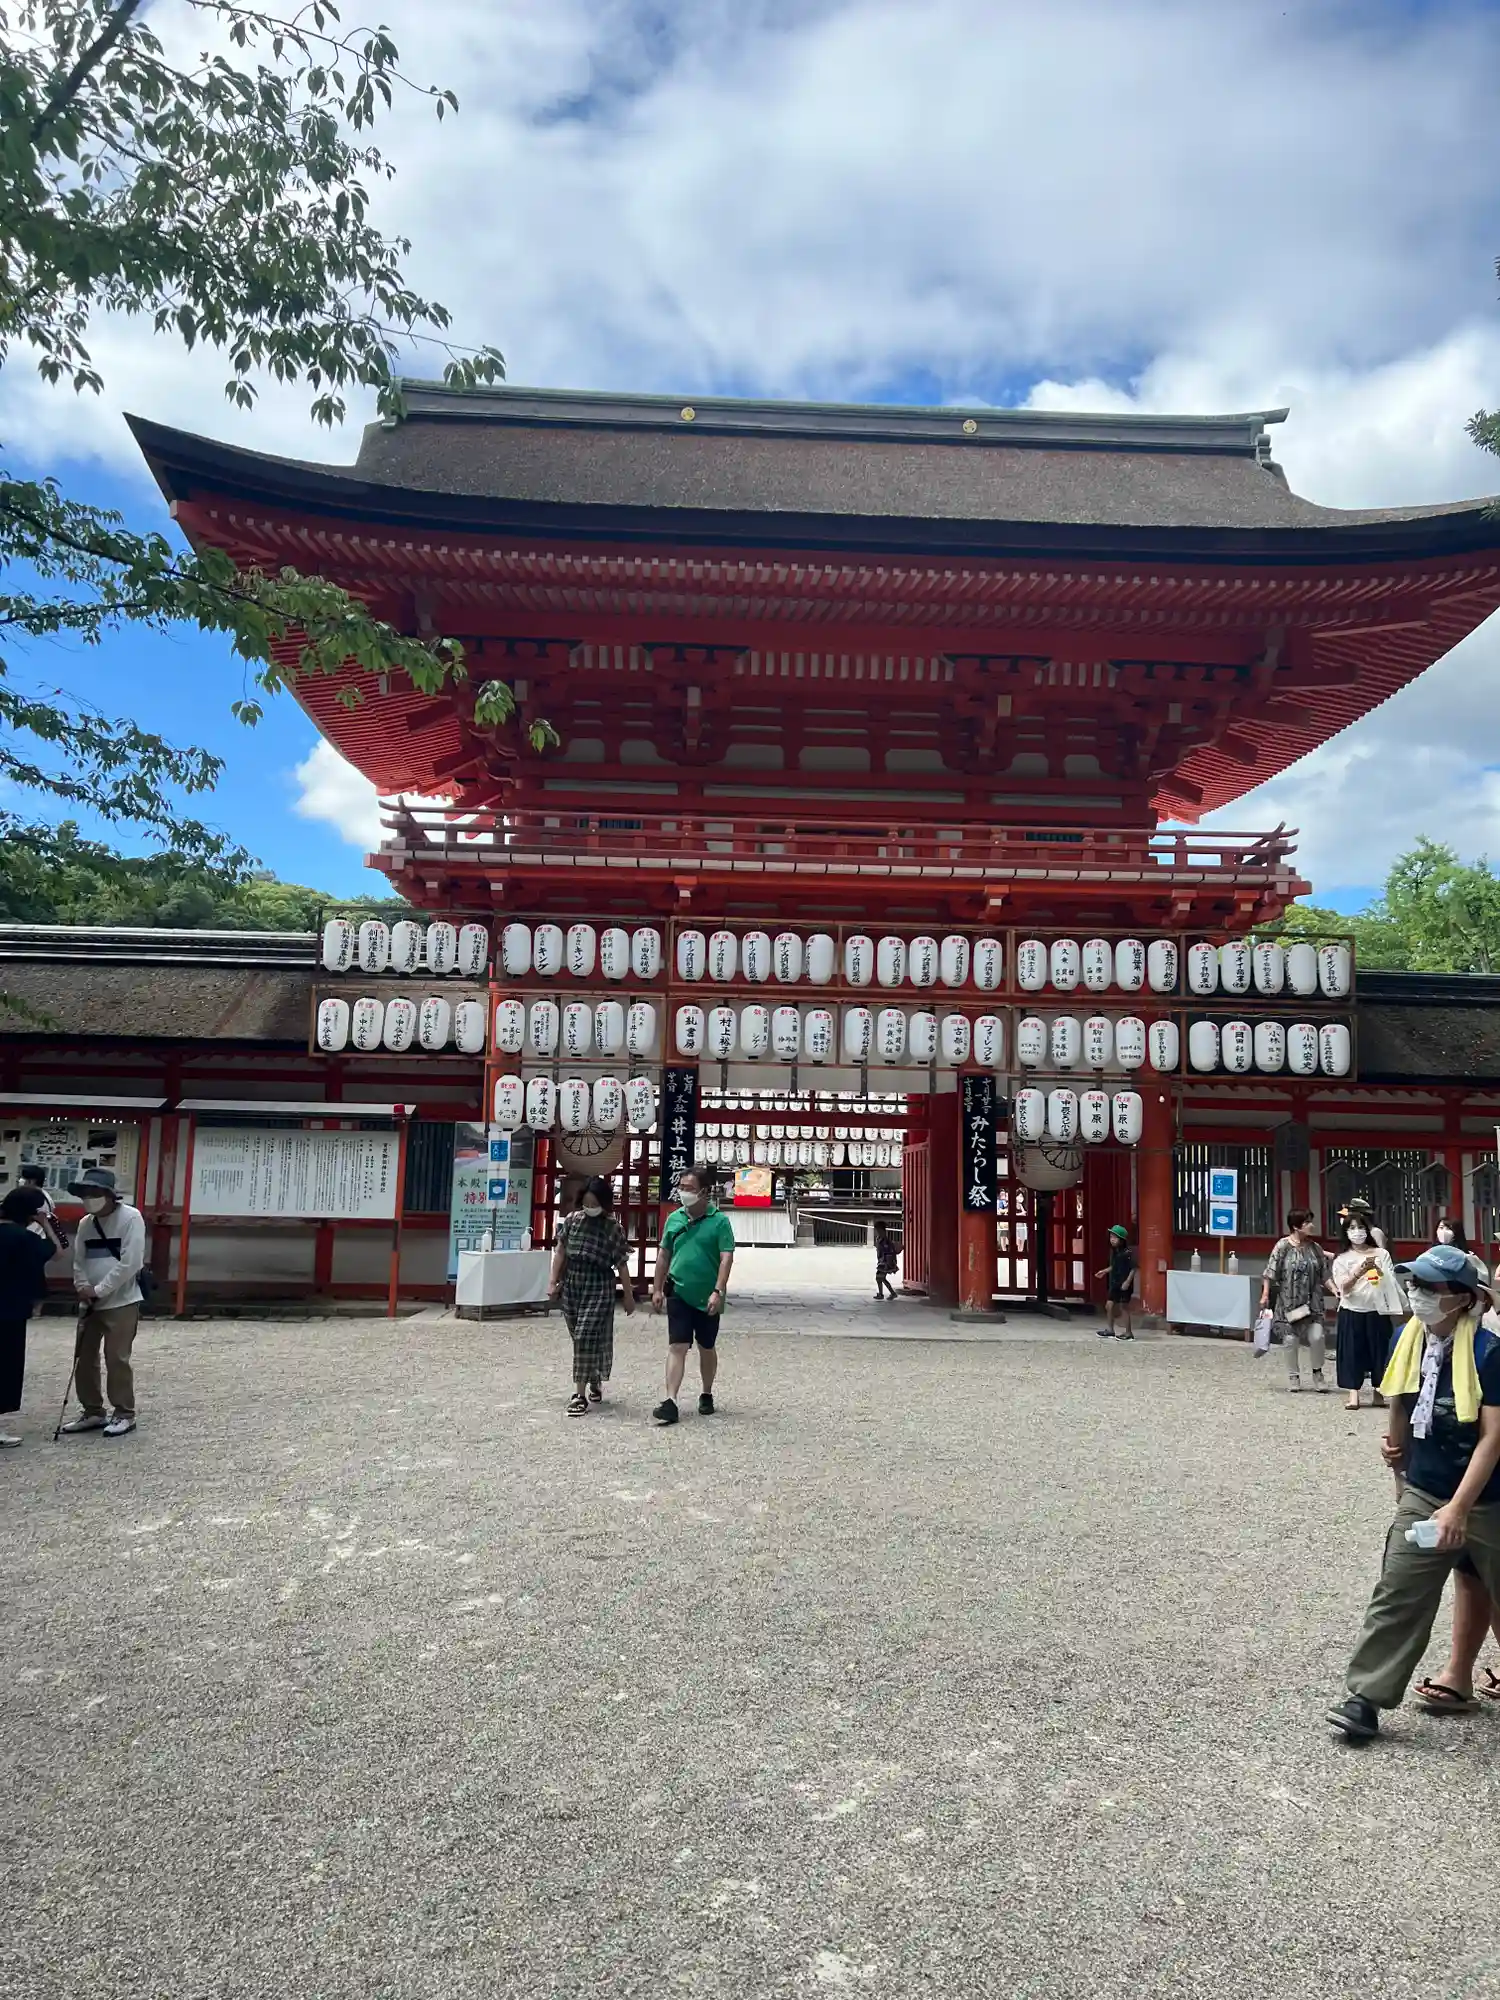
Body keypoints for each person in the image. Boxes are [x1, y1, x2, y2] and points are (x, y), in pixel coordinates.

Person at [1329, 1244, 1500, 1740]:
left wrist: (1459, 1508)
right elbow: (1401, 1400)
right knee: (1398, 1592)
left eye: (1430, 1286)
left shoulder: (1489, 1354)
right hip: (1426, 1490)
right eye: (1415, 1284)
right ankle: (1365, 1698)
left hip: (1489, 1499)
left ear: (1463, 1299)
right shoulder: (1405, 1339)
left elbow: (1493, 1438)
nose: (1418, 1293)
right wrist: (1397, 1457)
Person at [58, 1167, 146, 1439]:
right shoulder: (86, 1223)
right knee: (84, 1357)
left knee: (117, 1357)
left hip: (121, 1301)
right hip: (90, 1301)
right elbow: (79, 1260)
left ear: (109, 1195)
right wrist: (82, 1286)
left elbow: (131, 1262)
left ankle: (124, 1413)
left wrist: (99, 1290)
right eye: (85, 1193)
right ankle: (93, 1410)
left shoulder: (131, 1217)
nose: (89, 1198)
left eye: (94, 1192)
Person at [651, 1164, 735, 1427]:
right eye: (681, 1187)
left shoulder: (719, 1221)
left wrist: (718, 1291)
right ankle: (670, 1400)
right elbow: (664, 1254)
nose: (683, 1192)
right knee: (677, 1346)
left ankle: (706, 1392)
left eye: (689, 1188)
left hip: (708, 1295)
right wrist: (657, 1288)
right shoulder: (674, 1219)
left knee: (706, 1346)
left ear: (704, 1192)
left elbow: (726, 1258)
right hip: (678, 1290)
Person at [548, 1176, 635, 1416]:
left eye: (594, 1203)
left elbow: (622, 1264)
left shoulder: (612, 1227)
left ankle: (579, 1395)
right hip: (573, 1284)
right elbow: (561, 1251)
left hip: (599, 1285)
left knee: (584, 1335)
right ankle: (593, 1376)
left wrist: (628, 1296)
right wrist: (553, 1281)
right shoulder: (572, 1220)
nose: (590, 1207)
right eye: (586, 1203)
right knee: (578, 1335)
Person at [0, 1186, 64, 1447]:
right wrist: (45, 1224)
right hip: (9, 1311)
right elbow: (57, 1251)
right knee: (5, 1366)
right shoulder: (23, 1238)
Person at [1332, 1214, 1404, 1411]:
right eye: (1352, 1228)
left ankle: (1379, 1392)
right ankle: (1353, 1393)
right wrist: (1359, 1271)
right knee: (1352, 1352)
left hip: (1377, 1309)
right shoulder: (1342, 1259)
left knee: (1380, 1352)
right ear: (1346, 1233)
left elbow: (1390, 1280)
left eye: (1361, 1227)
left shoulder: (1382, 1254)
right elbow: (1343, 1287)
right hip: (1352, 1309)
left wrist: (1378, 1272)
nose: (1357, 1232)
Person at [1260, 1209, 1335, 1392]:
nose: (1311, 1226)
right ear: (1295, 1226)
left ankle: (1317, 1373)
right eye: (1307, 1222)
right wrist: (1265, 1294)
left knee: (1317, 1337)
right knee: (1290, 1340)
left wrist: (1335, 1289)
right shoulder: (1283, 1246)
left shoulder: (1315, 1248)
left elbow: (1324, 1274)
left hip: (1312, 1303)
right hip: (1289, 1303)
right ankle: (1293, 1376)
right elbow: (1269, 1272)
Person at [1094, 1224, 1137, 1341]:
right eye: (1111, 1237)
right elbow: (1114, 1266)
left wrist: (1127, 1282)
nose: (1112, 1239)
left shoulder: (1128, 1252)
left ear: (1121, 1240)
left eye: (1115, 1237)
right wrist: (1104, 1271)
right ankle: (1110, 1330)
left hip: (1124, 1284)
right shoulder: (1114, 1251)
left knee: (1124, 1307)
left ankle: (1128, 1333)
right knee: (1109, 1305)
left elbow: (1133, 1268)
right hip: (1115, 1282)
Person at [1433, 1215, 1488, 1283]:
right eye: (1441, 1228)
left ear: (1456, 1232)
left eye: (1449, 1229)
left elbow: (1479, 1276)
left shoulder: (1467, 1256)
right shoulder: (1431, 1252)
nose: (1444, 1231)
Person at [874, 1221, 899, 1301]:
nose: (877, 1232)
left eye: (878, 1230)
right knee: (881, 1278)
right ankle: (889, 1293)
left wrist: (889, 1263)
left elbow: (889, 1252)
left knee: (879, 1277)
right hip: (881, 1261)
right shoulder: (879, 1239)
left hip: (885, 1262)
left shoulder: (886, 1241)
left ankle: (883, 1294)